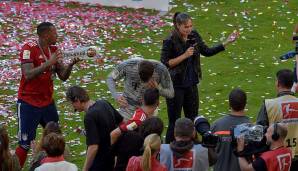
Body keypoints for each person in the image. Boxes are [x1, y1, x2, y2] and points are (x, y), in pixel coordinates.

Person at [160, 12, 239, 143]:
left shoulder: (194, 36)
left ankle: (193, 148)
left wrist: (226, 42)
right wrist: (184, 56)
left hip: (191, 84)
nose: (189, 29)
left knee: (193, 119)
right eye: (186, 27)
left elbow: (206, 51)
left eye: (190, 26)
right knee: (175, 121)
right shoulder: (170, 40)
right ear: (178, 26)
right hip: (176, 86)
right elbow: (165, 63)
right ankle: (169, 149)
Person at [15, 22, 80, 167]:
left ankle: (60, 168)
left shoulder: (54, 49)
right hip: (28, 103)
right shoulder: (29, 48)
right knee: (25, 144)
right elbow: (27, 74)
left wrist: (70, 65)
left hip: (47, 103)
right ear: (45, 35)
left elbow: (63, 76)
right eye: (54, 33)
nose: (57, 35)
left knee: (56, 139)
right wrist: (48, 63)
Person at [66, 85, 123, 171]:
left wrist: (85, 169)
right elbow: (121, 122)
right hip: (113, 157)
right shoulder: (104, 103)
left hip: (101, 162)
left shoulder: (89, 116)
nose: (72, 107)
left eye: (72, 103)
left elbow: (93, 147)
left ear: (77, 100)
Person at [256, 69, 298, 171]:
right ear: (292, 84)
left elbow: (259, 132)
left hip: (277, 158)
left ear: (278, 83)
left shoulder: (268, 104)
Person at [106, 58, 174, 120]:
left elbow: (171, 93)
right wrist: (116, 96)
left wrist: (158, 89)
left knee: (146, 132)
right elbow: (110, 78)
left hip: (149, 110)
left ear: (153, 74)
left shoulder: (161, 70)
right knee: (124, 131)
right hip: (127, 108)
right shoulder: (128, 65)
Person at [211, 88, 251, 171]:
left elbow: (209, 154)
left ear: (229, 104)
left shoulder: (216, 126)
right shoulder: (252, 129)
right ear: (245, 104)